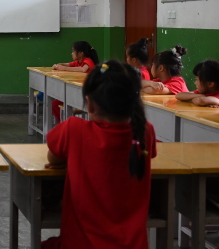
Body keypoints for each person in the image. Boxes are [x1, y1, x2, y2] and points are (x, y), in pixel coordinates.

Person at [42, 60, 157, 249]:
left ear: (90, 104)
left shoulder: (74, 129)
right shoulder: (145, 131)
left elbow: (53, 157)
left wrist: (71, 158)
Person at [50, 41, 99, 123]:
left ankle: (68, 125)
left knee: (58, 104)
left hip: (86, 95)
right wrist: (57, 65)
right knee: (55, 104)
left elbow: (83, 69)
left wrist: (64, 68)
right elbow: (67, 64)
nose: (71, 53)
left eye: (73, 51)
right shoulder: (78, 62)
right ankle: (64, 125)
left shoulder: (88, 61)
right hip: (76, 92)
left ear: (81, 53)